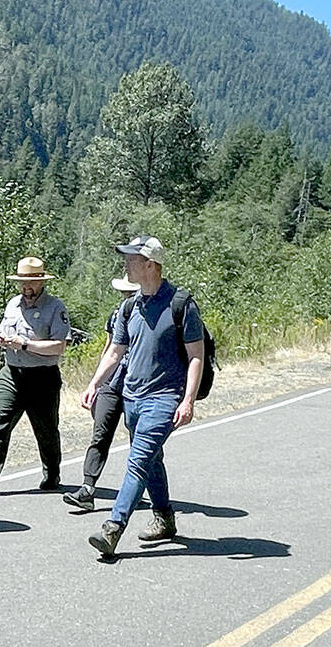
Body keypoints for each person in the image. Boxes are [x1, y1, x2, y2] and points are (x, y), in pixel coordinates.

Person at [81, 236, 206, 557]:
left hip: (165, 399)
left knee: (138, 460)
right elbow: (115, 351)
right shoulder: (129, 306)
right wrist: (95, 383)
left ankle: (112, 528)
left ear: (150, 265)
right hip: (132, 397)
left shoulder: (181, 303)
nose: (126, 264)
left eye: (132, 259)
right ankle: (164, 517)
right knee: (152, 460)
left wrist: (188, 399)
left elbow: (196, 356)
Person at [0, 257, 71, 495]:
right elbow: (4, 331)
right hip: (11, 374)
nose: (26, 287)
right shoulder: (13, 304)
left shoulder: (55, 307)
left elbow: (59, 347)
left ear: (41, 281)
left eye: (31, 282)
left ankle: (52, 473)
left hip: (43, 377)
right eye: (22, 282)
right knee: (0, 423)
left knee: (46, 429)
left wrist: (25, 344)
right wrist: (3, 340)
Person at [63, 274, 141, 511]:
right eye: (124, 293)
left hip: (138, 383)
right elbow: (110, 349)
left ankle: (140, 489)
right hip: (112, 381)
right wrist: (95, 383)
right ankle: (87, 489)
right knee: (100, 433)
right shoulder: (118, 313)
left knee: (138, 438)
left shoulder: (151, 313)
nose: (126, 297)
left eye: (130, 292)